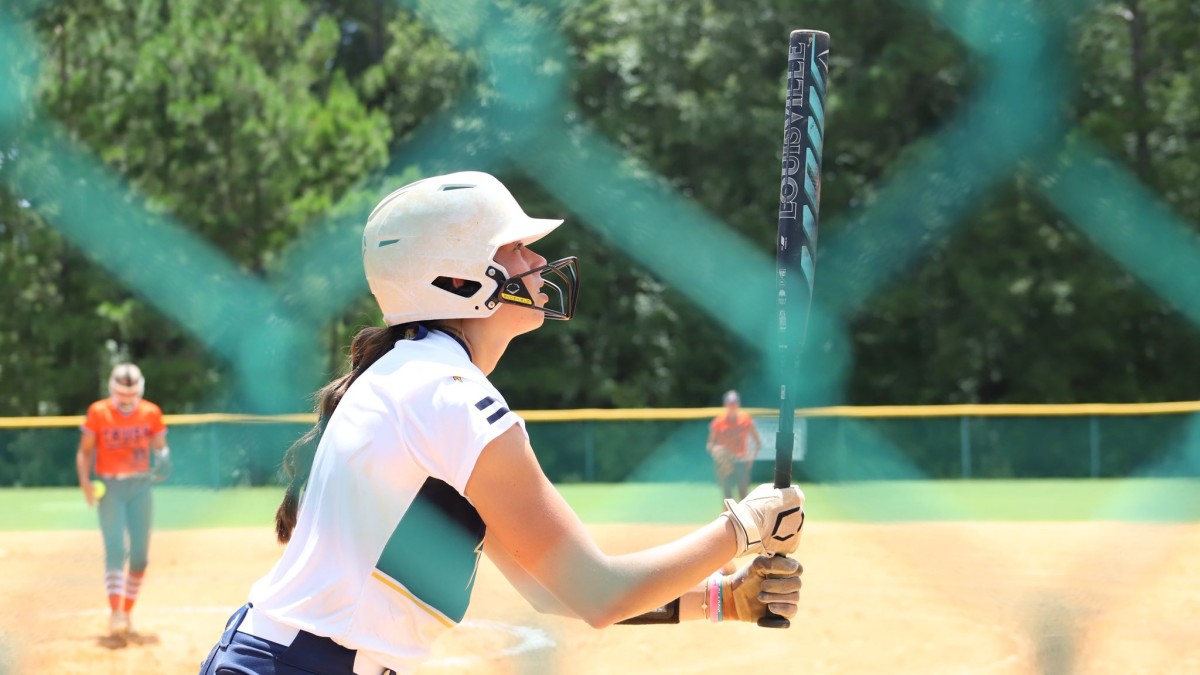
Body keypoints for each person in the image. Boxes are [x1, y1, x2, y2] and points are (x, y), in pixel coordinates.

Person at [198, 171, 806, 675]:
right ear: (461, 279)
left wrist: (728, 598)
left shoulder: (424, 380)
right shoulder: (448, 396)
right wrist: (745, 525)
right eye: (515, 247)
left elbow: (553, 590)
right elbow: (598, 592)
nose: (537, 258)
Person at [76, 362, 172, 638]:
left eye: (131, 393)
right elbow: (84, 451)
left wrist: (164, 458)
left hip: (141, 487)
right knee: (116, 550)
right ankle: (116, 612)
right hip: (110, 487)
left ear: (139, 389)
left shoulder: (151, 412)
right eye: (122, 393)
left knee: (140, 558)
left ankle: (128, 612)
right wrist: (84, 482)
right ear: (113, 389)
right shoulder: (98, 411)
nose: (127, 398)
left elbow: (160, 446)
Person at [706, 390, 762, 502]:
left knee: (744, 496)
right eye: (730, 403)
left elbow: (758, 442)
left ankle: (743, 519)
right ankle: (728, 518)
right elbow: (710, 444)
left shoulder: (745, 420)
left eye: (734, 403)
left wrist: (751, 458)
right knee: (727, 498)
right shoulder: (718, 422)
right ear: (726, 405)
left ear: (738, 404)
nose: (732, 406)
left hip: (741, 461)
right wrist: (716, 451)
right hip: (726, 462)